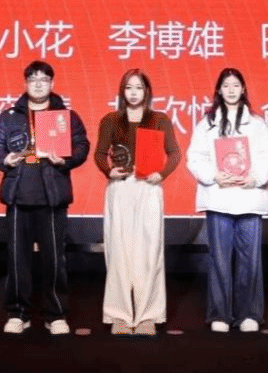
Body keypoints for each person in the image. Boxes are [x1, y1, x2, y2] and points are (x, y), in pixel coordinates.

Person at [0, 60, 90, 335]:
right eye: (33, 80)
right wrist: (4, 158)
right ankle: (18, 313)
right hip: (18, 195)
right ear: (25, 84)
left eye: (44, 79)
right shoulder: (10, 117)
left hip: (52, 195)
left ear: (52, 84)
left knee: (54, 259)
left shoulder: (66, 117)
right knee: (17, 259)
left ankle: (55, 314)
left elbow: (82, 144)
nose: (38, 84)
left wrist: (65, 159)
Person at [185, 68, 268, 333]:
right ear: (219, 90)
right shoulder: (207, 124)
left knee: (250, 259)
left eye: (236, 85)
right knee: (219, 258)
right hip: (219, 197)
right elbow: (195, 157)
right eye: (226, 85)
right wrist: (214, 176)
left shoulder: (257, 124)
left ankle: (249, 313)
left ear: (243, 89)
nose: (231, 90)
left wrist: (255, 178)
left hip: (249, 197)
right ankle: (220, 314)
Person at [93, 69, 182, 336]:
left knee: (149, 251)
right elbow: (99, 153)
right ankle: (119, 315)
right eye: (129, 88)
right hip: (120, 187)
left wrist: (161, 174)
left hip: (148, 187)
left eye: (139, 88)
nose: (133, 93)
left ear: (147, 91)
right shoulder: (111, 120)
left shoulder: (159, 119)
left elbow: (174, 153)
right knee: (118, 251)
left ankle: (148, 315)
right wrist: (108, 171)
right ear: (122, 91)